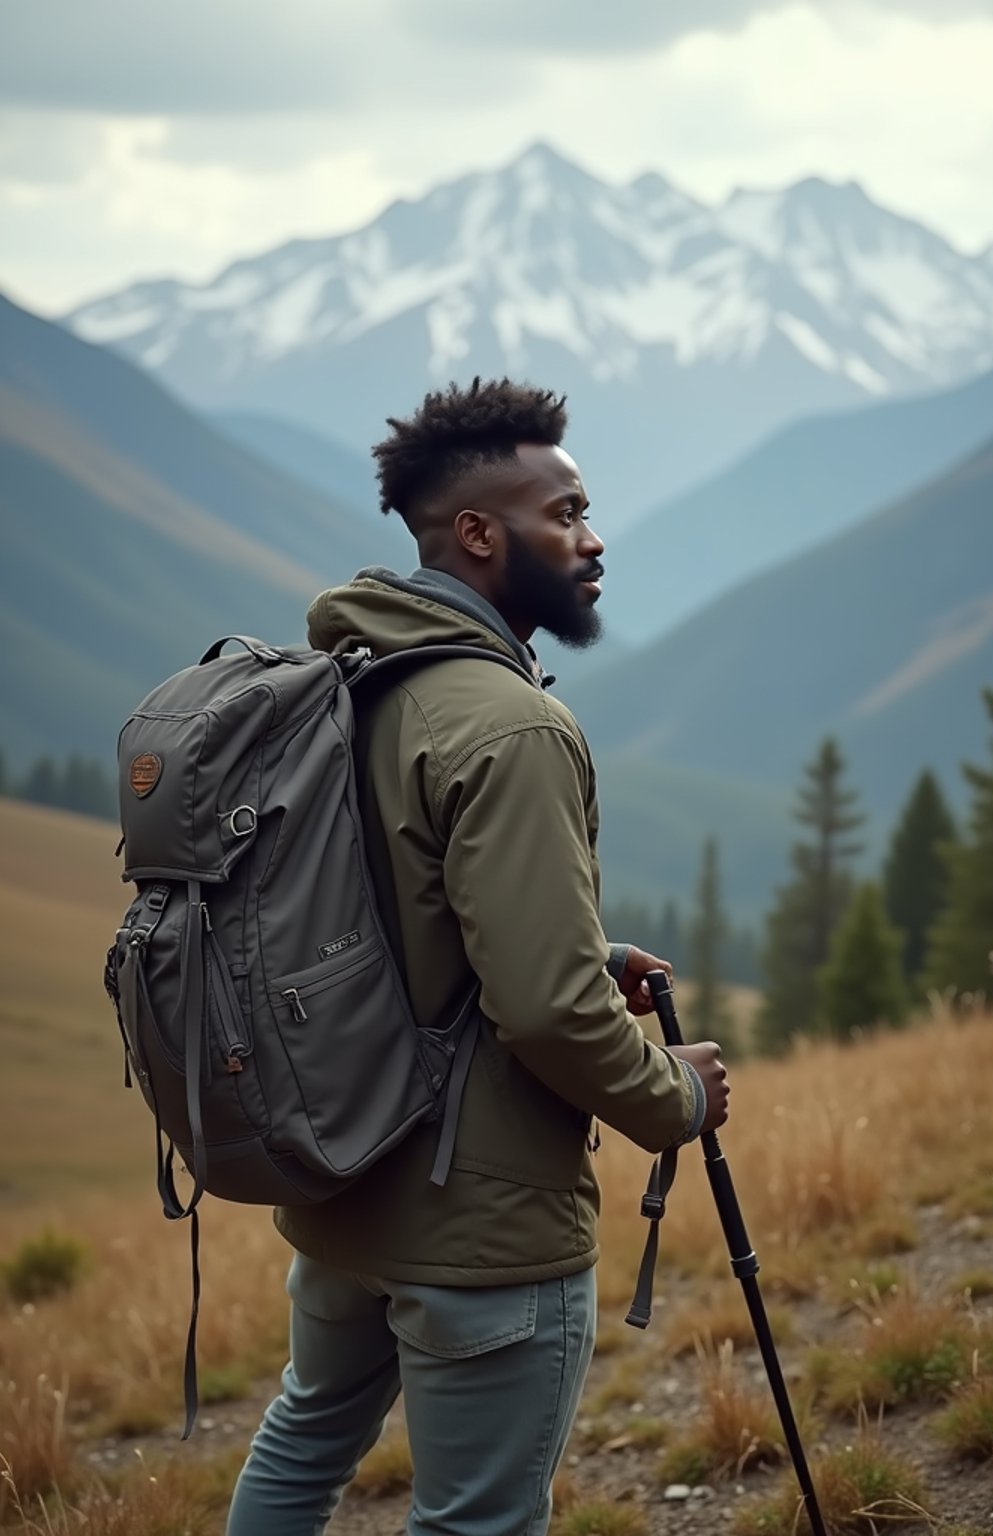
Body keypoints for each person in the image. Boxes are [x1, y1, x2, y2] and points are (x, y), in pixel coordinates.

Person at [226, 377, 730, 1536]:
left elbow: (379, 906)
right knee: (475, 1523)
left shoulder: (344, 683)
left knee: (302, 1443)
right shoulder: (510, 723)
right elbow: (547, 1016)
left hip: (344, 1184)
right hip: (482, 1223)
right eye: (566, 513)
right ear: (479, 534)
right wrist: (674, 1100)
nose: (592, 539)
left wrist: (578, 946)